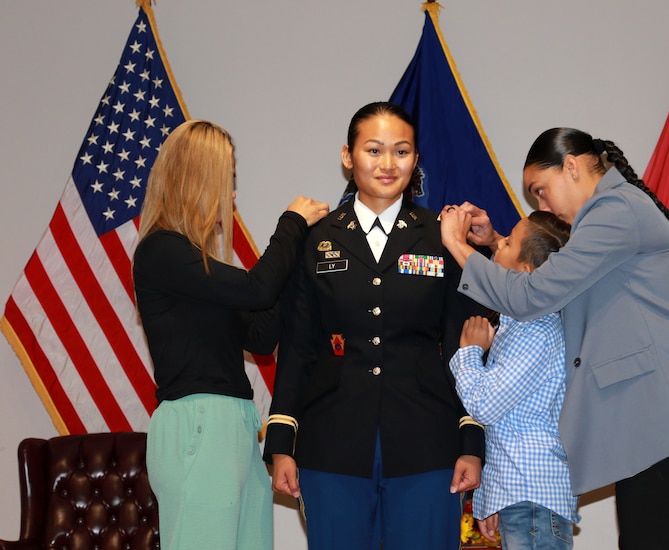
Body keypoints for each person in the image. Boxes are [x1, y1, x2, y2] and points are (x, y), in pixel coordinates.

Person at [439, 127, 669, 550]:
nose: (543, 204)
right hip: (656, 426)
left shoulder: (617, 210)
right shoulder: (610, 216)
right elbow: (548, 274)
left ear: (571, 167)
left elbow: (534, 293)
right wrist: (497, 241)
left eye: (541, 190)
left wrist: (456, 245)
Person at [263, 101, 485, 550]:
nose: (388, 164)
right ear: (348, 156)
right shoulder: (317, 238)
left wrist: (471, 437)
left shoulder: (442, 237)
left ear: (416, 160)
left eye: (401, 152)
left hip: (427, 440)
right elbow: (300, 347)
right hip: (332, 441)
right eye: (374, 150)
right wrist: (283, 437)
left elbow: (465, 346)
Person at [132, 119, 329, 550]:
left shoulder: (195, 266)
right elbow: (257, 289)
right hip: (199, 423)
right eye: (229, 180)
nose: (233, 195)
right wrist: (291, 223)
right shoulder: (161, 250)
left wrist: (296, 260)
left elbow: (260, 336)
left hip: (235, 424)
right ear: (198, 180)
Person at [450, 211, 579, 550]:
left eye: (507, 242)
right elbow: (509, 425)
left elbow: (485, 406)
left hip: (532, 500)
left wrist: (469, 353)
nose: (498, 243)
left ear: (525, 271)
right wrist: (493, 499)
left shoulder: (536, 329)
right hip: (521, 496)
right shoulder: (522, 322)